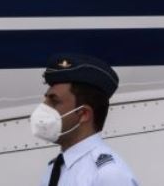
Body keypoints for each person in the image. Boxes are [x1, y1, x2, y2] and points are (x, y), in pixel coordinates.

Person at [31, 54, 140, 186]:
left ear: (84, 114)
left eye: (54, 101)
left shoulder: (107, 175)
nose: (43, 108)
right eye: (46, 100)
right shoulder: (55, 168)